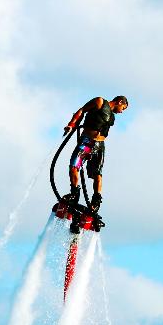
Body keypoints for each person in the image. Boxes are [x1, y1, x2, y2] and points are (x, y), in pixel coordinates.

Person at [59, 95, 129, 232]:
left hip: (100, 145)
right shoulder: (99, 102)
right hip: (86, 142)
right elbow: (82, 110)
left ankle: (96, 200)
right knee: (74, 166)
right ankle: (74, 193)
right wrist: (71, 124)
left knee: (97, 174)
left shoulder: (112, 116)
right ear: (120, 102)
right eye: (123, 108)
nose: (122, 111)